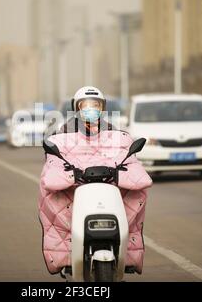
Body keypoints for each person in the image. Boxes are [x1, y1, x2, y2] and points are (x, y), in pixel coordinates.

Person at [38, 86, 153, 275]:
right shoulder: (63, 133)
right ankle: (66, 254)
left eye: (96, 105)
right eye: (86, 105)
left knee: (136, 194)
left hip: (108, 187)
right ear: (77, 108)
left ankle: (128, 252)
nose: (91, 109)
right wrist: (71, 174)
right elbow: (54, 164)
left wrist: (117, 172)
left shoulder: (114, 132)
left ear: (102, 108)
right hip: (77, 187)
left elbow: (129, 160)